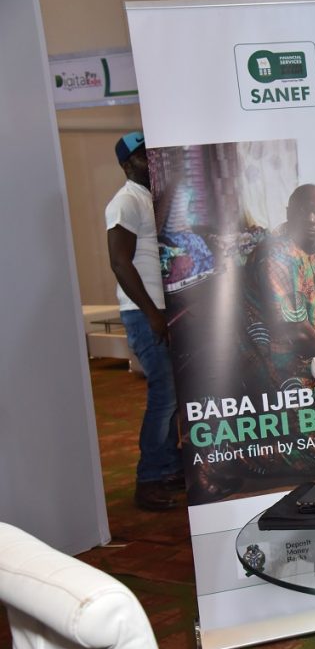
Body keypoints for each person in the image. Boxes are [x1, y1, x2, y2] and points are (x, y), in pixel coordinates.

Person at [105, 131, 184, 511]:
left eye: (152, 154)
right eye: (141, 156)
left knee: (173, 396)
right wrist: (153, 314)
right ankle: (149, 479)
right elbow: (120, 262)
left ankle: (168, 467)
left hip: (159, 311)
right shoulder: (125, 202)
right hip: (144, 313)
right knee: (163, 396)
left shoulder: (148, 199)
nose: (149, 161)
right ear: (126, 164)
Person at [243, 183, 315, 391]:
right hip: (274, 364)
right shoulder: (274, 255)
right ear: (289, 213)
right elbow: (297, 330)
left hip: (310, 356)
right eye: (303, 211)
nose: (311, 219)